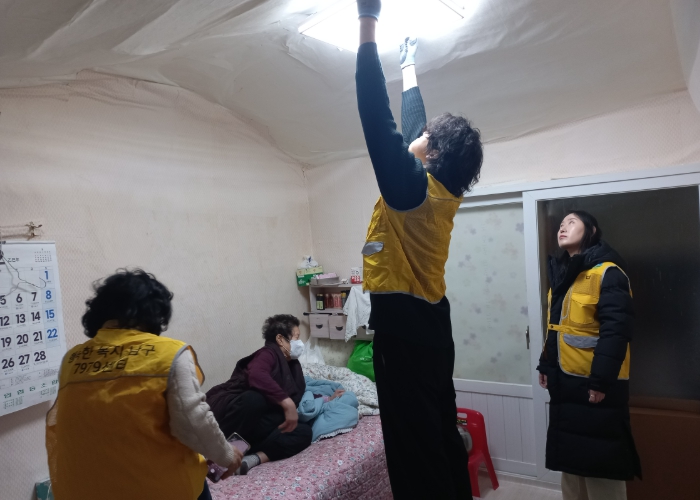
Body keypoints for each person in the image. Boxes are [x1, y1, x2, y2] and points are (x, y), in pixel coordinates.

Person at [355, 1, 483, 498]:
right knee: (439, 436)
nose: (419, 137)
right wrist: (409, 67)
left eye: (427, 139)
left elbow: (377, 116)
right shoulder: (436, 193)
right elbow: (413, 129)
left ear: (432, 155)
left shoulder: (410, 191)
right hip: (431, 327)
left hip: (405, 330)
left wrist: (367, 22)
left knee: (412, 454)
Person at [46, 269, 242, 500]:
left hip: (78, 490)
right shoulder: (169, 353)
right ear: (154, 312)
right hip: (155, 490)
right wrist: (227, 455)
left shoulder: (71, 360)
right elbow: (192, 423)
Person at [537, 211, 642, 500]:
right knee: (571, 460)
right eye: (561, 224)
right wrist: (545, 364)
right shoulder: (563, 273)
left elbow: (616, 331)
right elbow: (556, 327)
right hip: (565, 382)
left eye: (571, 222)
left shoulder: (608, 273)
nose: (563, 227)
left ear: (592, 230)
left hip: (594, 383)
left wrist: (600, 381)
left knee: (601, 461)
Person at [206, 314, 312, 475]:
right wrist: (287, 402)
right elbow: (257, 375)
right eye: (296, 337)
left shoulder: (293, 365)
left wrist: (327, 398)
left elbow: (297, 392)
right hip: (238, 418)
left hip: (260, 425)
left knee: (304, 431)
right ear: (280, 339)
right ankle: (221, 457)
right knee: (255, 399)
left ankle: (251, 459)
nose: (300, 343)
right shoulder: (267, 353)